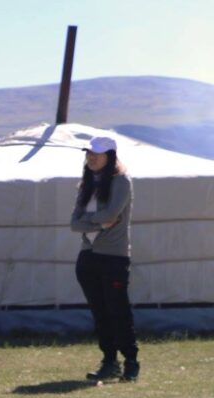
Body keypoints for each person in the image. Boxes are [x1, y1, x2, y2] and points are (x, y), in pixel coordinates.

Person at [70, 136, 139, 382]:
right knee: (99, 311)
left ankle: (131, 361)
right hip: (88, 256)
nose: (91, 157)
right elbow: (73, 224)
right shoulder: (86, 184)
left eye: (97, 154)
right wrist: (97, 221)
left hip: (113, 256)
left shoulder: (121, 182)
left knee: (118, 309)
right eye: (89, 153)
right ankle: (109, 361)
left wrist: (89, 220)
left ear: (110, 156)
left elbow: (112, 213)